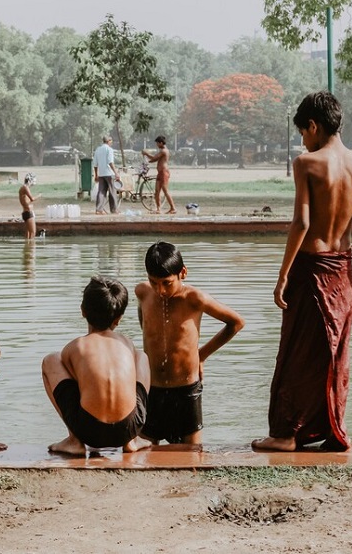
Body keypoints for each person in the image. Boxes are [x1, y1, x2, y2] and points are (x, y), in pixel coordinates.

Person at [252, 91, 352, 453]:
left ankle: (285, 434)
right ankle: (332, 429)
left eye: (303, 132)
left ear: (314, 125)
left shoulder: (306, 163)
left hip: (310, 267)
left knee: (297, 351)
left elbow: (301, 222)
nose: (303, 140)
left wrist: (282, 274)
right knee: (335, 351)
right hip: (343, 269)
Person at [135, 241, 244, 445]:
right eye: (154, 282)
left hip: (186, 390)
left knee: (192, 455)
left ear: (182, 273)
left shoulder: (194, 298)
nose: (160, 291)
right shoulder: (142, 292)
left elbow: (236, 323)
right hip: (152, 388)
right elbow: (145, 325)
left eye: (167, 283)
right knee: (143, 452)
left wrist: (201, 356)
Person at [42, 276, 151, 455]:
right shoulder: (126, 343)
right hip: (128, 428)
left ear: (83, 311)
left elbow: (77, 385)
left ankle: (74, 441)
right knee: (142, 357)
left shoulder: (76, 346)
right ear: (119, 319)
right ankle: (132, 441)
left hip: (88, 431)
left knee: (51, 360)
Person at [141, 136, 177, 214]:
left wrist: (146, 153)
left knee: (165, 191)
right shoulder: (162, 151)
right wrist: (147, 161)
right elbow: (154, 159)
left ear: (161, 143)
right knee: (157, 191)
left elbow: (154, 158)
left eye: (157, 143)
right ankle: (158, 209)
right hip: (160, 173)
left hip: (164, 172)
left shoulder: (164, 151)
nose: (157, 145)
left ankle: (173, 208)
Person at [93, 135, 121, 214]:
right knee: (112, 191)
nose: (111, 143)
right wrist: (116, 173)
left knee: (101, 192)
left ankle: (99, 210)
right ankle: (114, 209)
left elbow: (95, 164)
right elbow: (110, 162)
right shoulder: (109, 149)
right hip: (109, 173)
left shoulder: (98, 150)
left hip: (101, 174)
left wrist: (96, 175)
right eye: (111, 141)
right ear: (109, 141)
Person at [18, 172, 40, 239]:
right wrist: (39, 195)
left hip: (25, 213)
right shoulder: (25, 187)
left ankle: (27, 248)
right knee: (33, 233)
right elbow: (32, 199)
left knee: (27, 234)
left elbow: (26, 201)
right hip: (29, 213)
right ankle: (31, 248)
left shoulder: (22, 188)